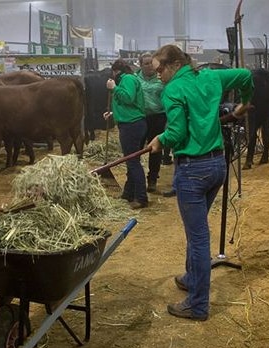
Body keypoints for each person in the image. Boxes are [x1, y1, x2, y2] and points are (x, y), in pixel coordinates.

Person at [147, 44, 253, 321]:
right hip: (217, 165)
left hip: (193, 170)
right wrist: (244, 103)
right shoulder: (209, 76)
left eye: (159, 70)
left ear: (172, 66)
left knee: (198, 239)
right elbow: (245, 77)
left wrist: (161, 140)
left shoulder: (173, 90)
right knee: (198, 232)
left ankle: (198, 304)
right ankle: (192, 278)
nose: (157, 75)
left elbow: (178, 131)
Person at [104, 58, 148, 209]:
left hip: (132, 125)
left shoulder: (127, 79)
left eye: (113, 73)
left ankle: (141, 197)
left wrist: (114, 88)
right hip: (131, 122)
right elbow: (128, 103)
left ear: (117, 71)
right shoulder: (128, 79)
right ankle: (128, 193)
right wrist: (113, 113)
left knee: (133, 162)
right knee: (131, 160)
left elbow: (128, 98)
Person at [136, 52, 166, 194]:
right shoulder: (135, 79)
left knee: (155, 149)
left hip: (158, 116)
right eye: (146, 63)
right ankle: (137, 179)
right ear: (140, 65)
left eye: (151, 63)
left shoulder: (162, 79)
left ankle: (152, 179)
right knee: (137, 149)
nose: (149, 66)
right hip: (140, 117)